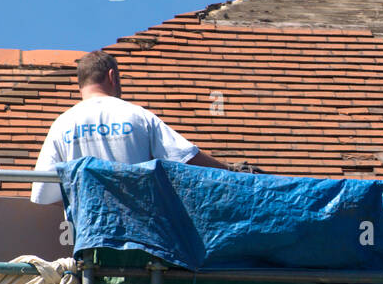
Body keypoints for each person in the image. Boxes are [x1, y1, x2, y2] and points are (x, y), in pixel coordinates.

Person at [30, 51, 233, 204]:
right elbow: (186, 158)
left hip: (88, 240)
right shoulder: (137, 116)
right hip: (138, 238)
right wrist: (233, 173)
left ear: (80, 85)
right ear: (112, 76)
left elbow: (42, 193)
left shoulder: (62, 125)